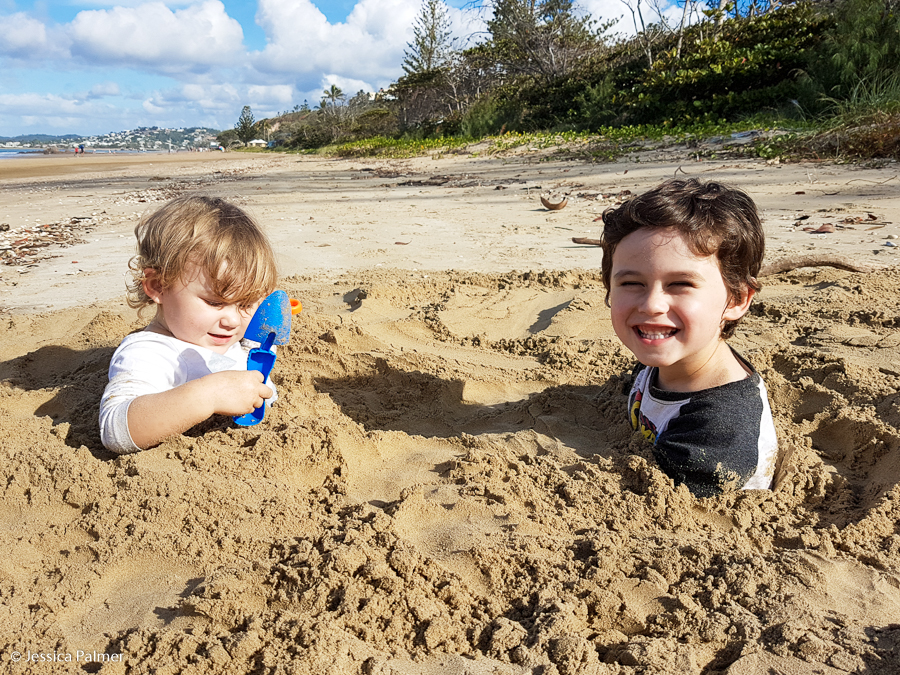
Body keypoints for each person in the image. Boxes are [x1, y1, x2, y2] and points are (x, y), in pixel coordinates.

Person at [600, 178, 777, 497]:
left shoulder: (719, 430)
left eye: (680, 284)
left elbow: (665, 512)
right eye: (631, 283)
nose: (652, 305)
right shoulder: (671, 356)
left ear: (736, 300)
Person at [100, 195, 278, 454]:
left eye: (246, 303)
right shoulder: (148, 353)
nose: (232, 321)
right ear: (158, 286)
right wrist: (208, 396)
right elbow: (116, 431)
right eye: (215, 303)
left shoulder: (214, 334)